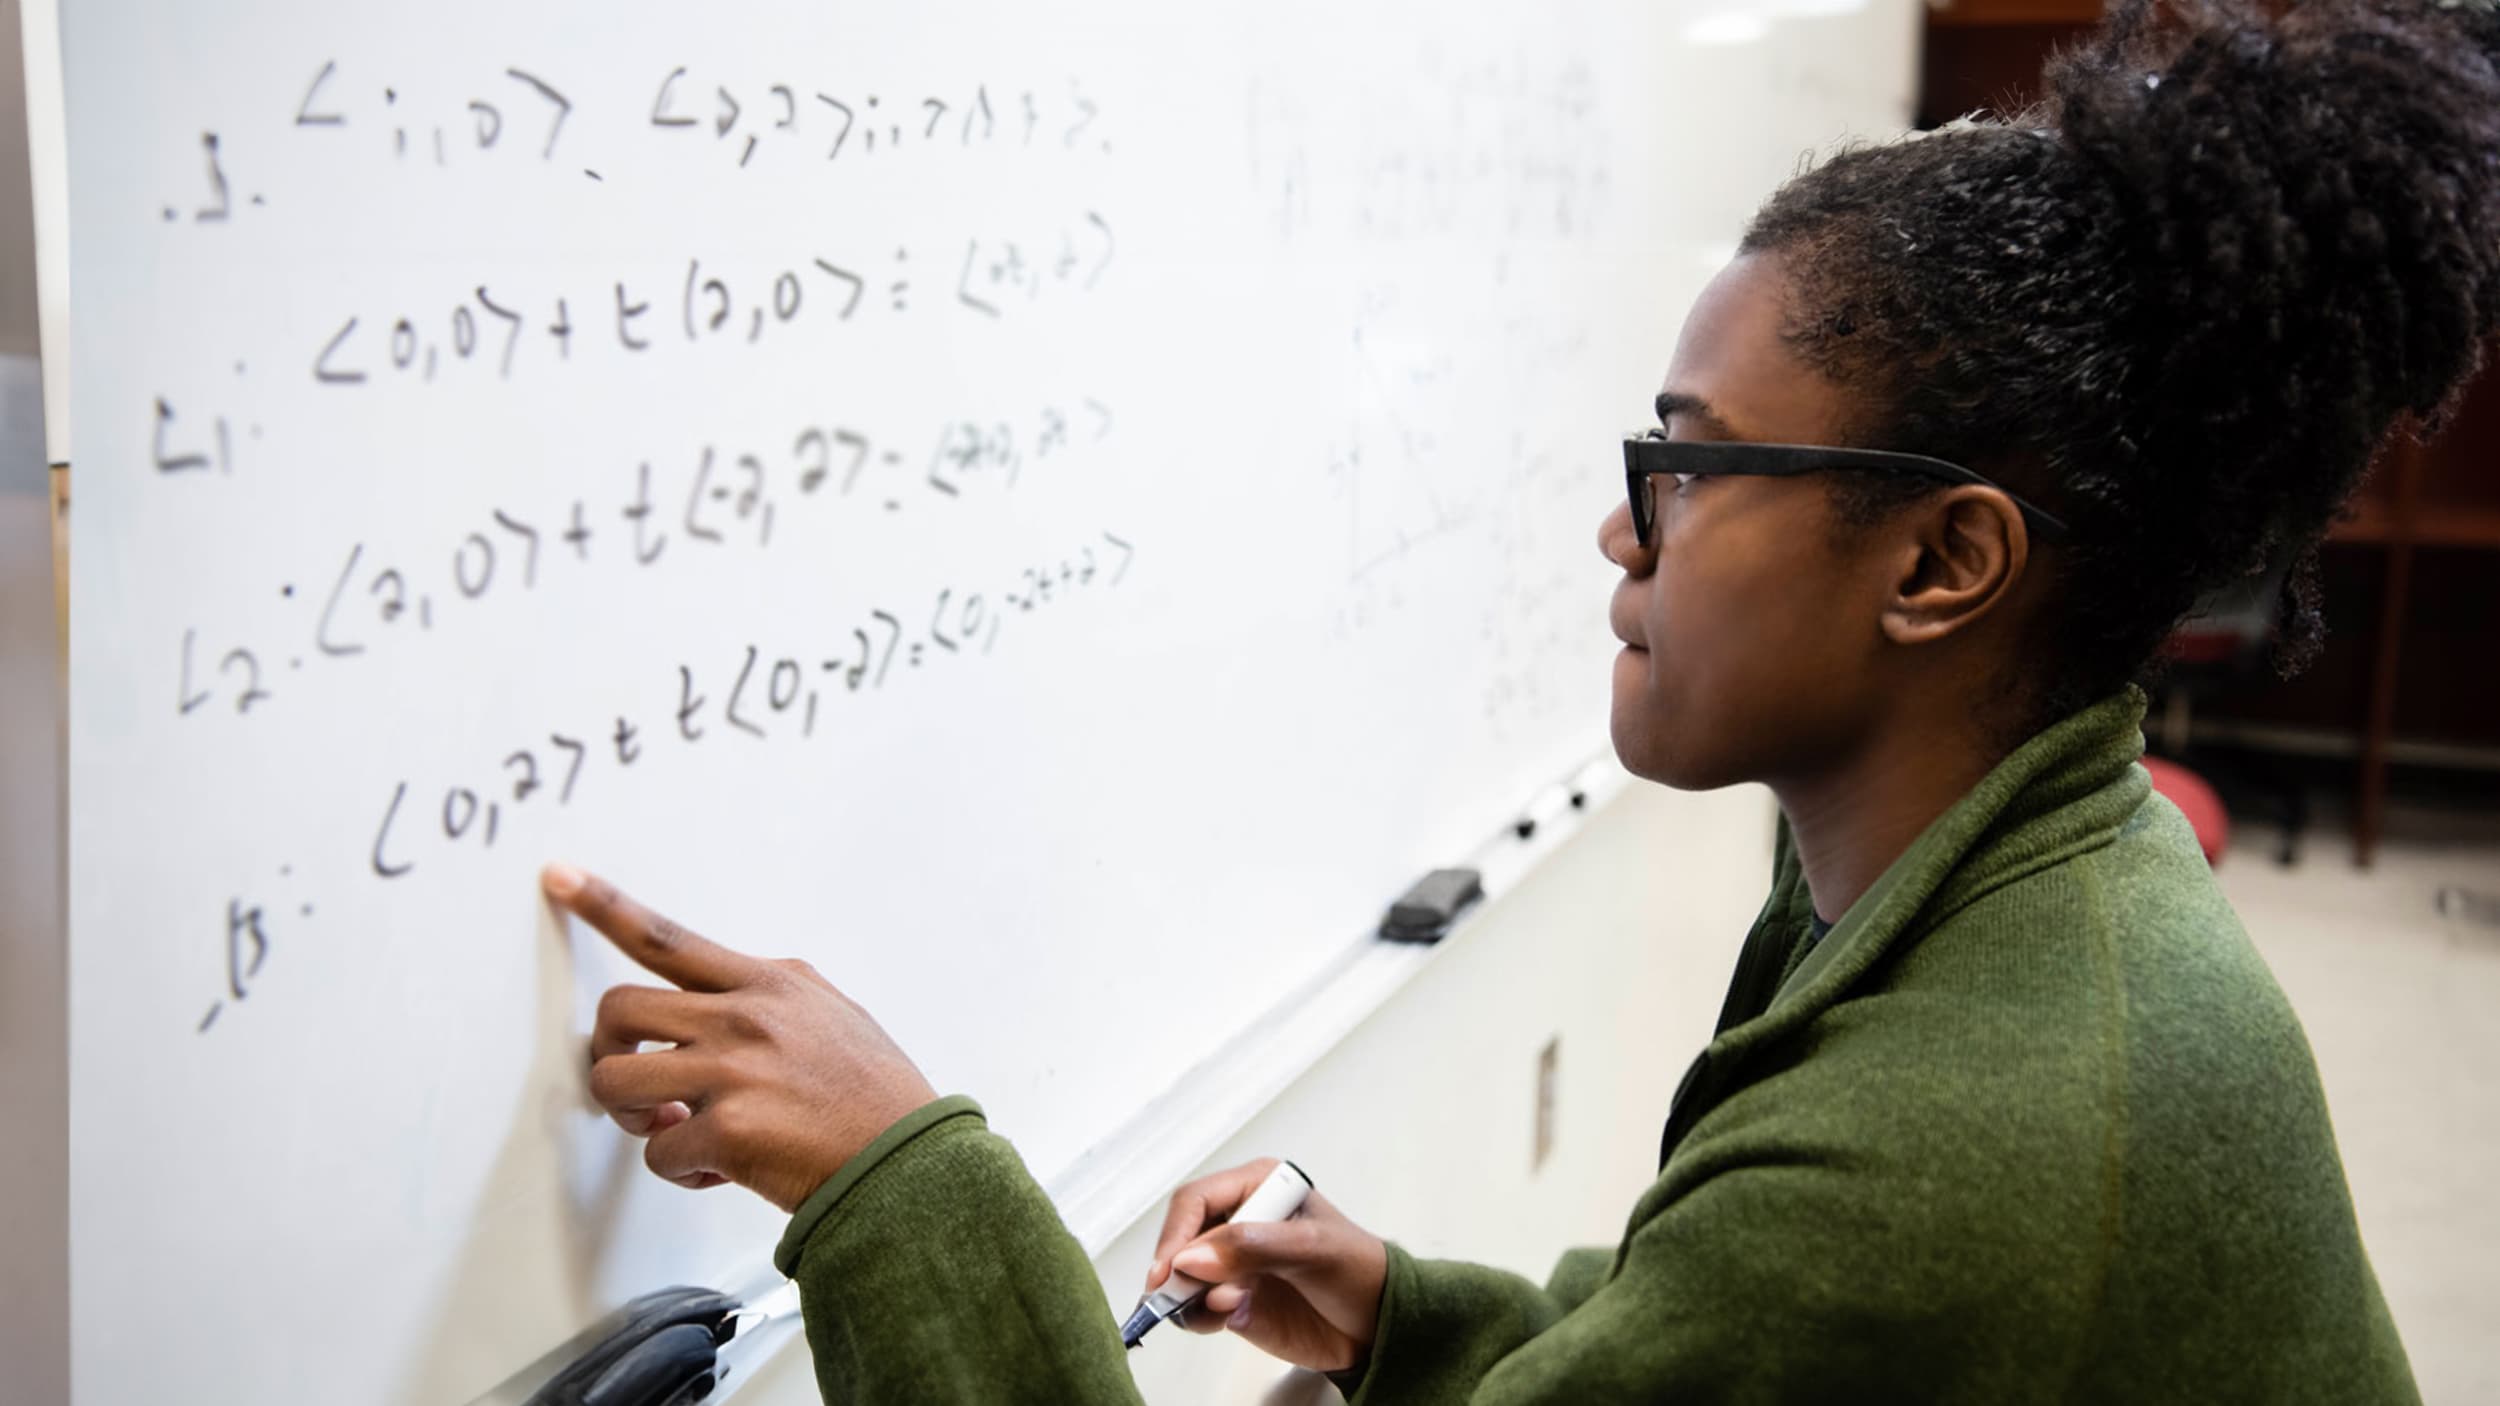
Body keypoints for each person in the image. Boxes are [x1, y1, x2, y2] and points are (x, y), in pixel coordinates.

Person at [537, 0, 2499, 1399]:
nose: (1616, 534)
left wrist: (899, 1174)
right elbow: (1713, 1323)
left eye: (1692, 463)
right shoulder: (1991, 886)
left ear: (1939, 564)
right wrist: (1404, 1310)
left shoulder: (1960, 1134)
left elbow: (1807, 1271)